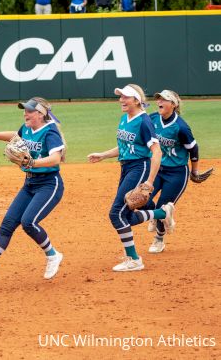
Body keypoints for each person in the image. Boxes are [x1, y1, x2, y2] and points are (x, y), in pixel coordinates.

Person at [0, 97, 66, 281]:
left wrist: (32, 162)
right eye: (24, 110)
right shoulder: (26, 128)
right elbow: (14, 136)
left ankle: (53, 255)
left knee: (29, 222)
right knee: (8, 223)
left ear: (41, 114)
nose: (25, 113)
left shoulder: (50, 132)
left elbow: (55, 159)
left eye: (29, 110)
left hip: (49, 184)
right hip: (30, 184)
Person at [88, 84, 175, 272]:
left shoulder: (144, 122)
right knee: (126, 216)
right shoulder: (125, 118)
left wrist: (149, 182)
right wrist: (103, 155)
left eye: (125, 97)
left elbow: (157, 152)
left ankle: (134, 259)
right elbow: (126, 146)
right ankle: (161, 213)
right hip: (126, 167)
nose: (121, 100)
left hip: (139, 168)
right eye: (120, 97)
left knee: (116, 214)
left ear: (136, 100)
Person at [146, 90, 208, 253]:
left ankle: (159, 239)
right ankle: (154, 216)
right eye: (158, 98)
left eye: (164, 99)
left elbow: (193, 149)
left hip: (177, 173)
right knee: (142, 199)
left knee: (162, 206)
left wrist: (195, 172)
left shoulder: (181, 127)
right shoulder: (153, 118)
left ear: (173, 104)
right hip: (158, 169)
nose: (159, 101)